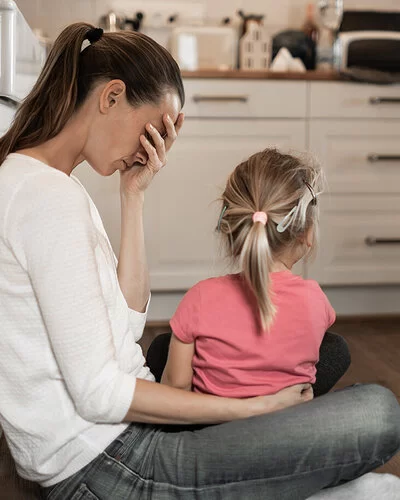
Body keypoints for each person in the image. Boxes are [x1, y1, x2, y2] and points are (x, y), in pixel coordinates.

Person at [0, 22, 399, 500]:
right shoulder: (46, 198)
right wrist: (252, 409)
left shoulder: (53, 186)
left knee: (326, 353)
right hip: (114, 467)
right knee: (378, 411)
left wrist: (134, 197)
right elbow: (98, 393)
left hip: (123, 440)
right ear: (111, 97)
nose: (154, 145)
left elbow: (126, 328)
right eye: (154, 126)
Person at [161, 149, 338, 398]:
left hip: (212, 430)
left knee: (162, 348)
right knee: (336, 348)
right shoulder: (316, 300)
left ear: (230, 229)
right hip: (291, 428)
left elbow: (177, 386)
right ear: (306, 233)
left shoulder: (200, 297)